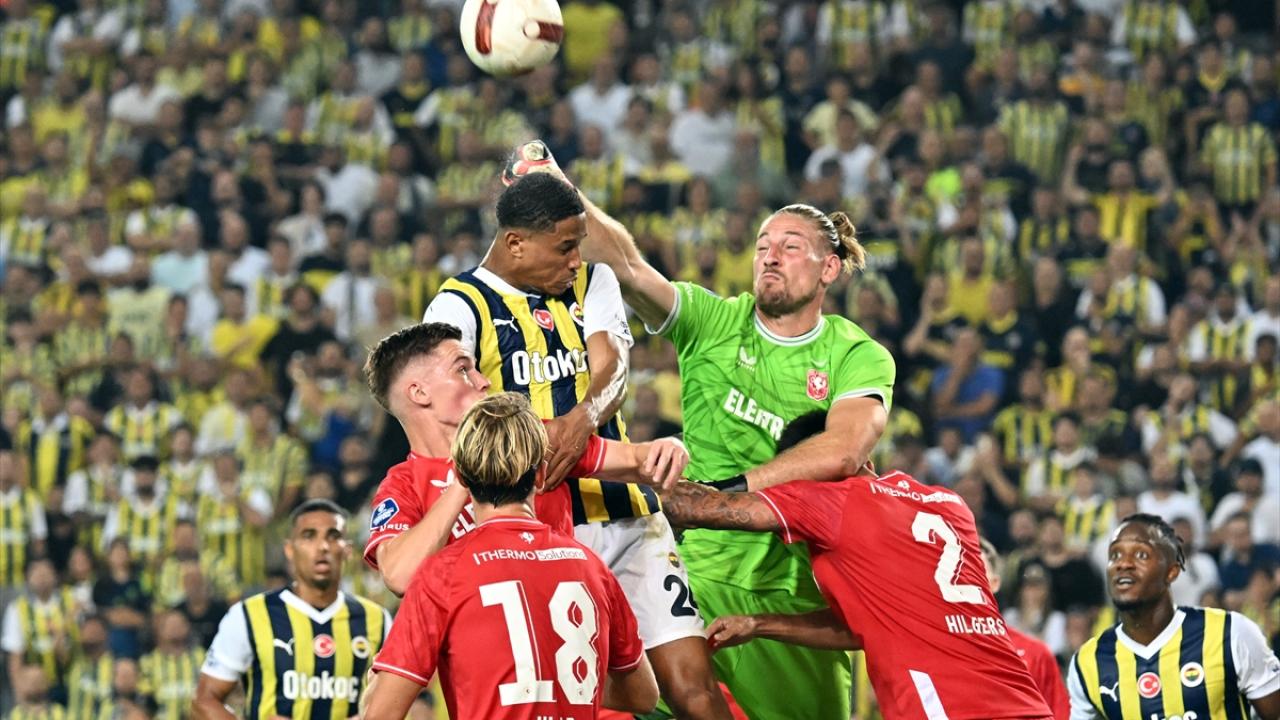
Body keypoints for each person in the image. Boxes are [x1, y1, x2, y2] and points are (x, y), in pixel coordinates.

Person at [506, 140, 895, 718]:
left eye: (790, 247)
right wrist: (559, 188)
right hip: (698, 581)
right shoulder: (714, 321)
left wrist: (725, 493)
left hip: (795, 596)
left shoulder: (856, 354)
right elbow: (627, 268)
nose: (770, 257)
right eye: (763, 246)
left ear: (829, 268)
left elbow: (844, 450)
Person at [420, 173, 729, 717]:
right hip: (537, 531)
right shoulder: (457, 306)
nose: (575, 259)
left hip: (626, 515)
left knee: (693, 688)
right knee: (561, 689)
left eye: (579, 244)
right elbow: (449, 412)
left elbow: (614, 366)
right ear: (516, 243)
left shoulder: (593, 280)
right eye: (564, 246)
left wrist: (581, 419)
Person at [661, 412, 1052, 720]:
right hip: (1023, 700)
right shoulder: (950, 504)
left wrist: (630, 475)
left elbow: (695, 508)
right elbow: (872, 625)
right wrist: (759, 624)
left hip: (948, 706)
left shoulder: (831, 499)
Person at [364, 392, 658, 719]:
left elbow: (380, 714)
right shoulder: (592, 567)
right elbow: (644, 695)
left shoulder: (443, 573)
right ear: (541, 475)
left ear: (460, 477)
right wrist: (559, 677)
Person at [360, 321, 689, 594]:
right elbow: (399, 576)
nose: (483, 380)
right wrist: (466, 475)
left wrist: (668, 448)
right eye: (463, 369)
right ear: (419, 393)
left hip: (562, 621)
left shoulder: (524, 434)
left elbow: (639, 460)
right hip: (478, 644)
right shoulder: (401, 485)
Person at [192, 499, 392, 719]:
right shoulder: (249, 615)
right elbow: (204, 701)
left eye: (333, 536)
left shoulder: (377, 620)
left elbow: (398, 702)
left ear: (347, 550)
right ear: (289, 549)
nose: (323, 546)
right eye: (309, 536)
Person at [1066, 514, 1280, 720]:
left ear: (1171, 572)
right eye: (1115, 555)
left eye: (1141, 555)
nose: (1124, 564)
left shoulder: (1231, 633)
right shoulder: (1088, 662)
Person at [980, 538, 1071, 720]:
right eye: (961, 568)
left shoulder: (1036, 654)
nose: (967, 580)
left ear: (995, 583)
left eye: (977, 571)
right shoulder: (932, 652)